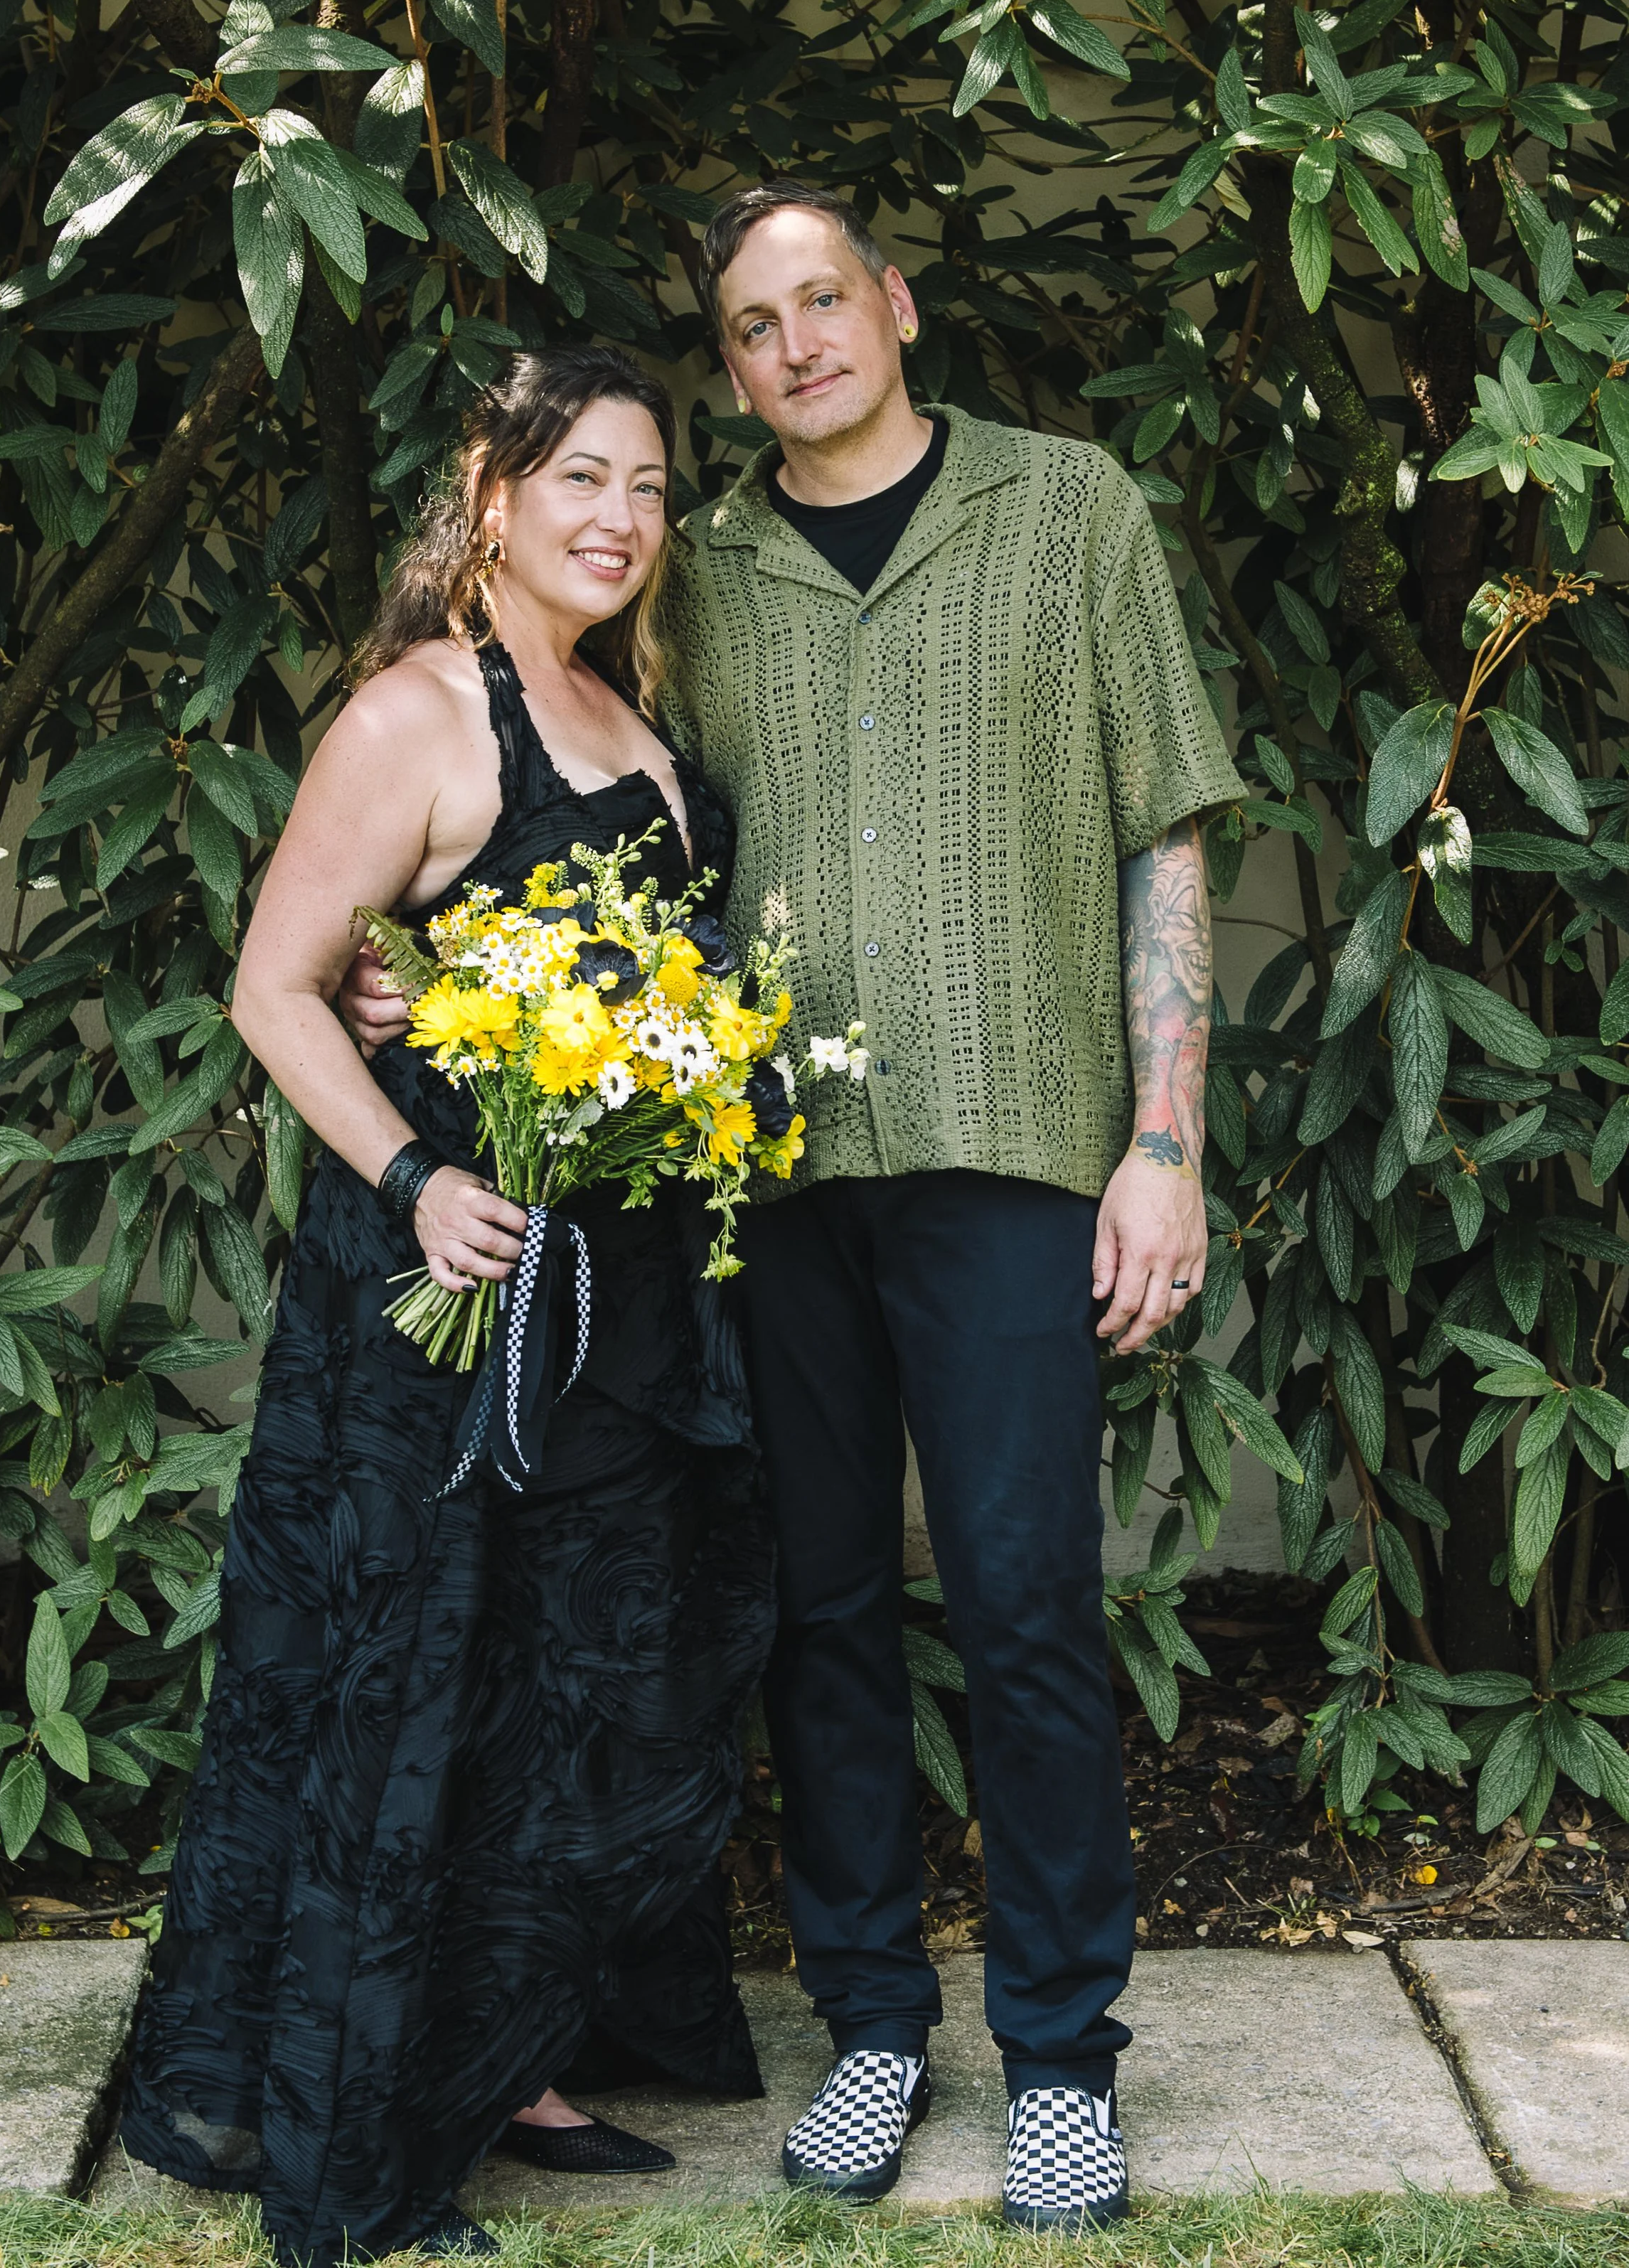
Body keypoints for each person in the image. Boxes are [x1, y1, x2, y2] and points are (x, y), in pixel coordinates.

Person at [343, 185, 1241, 2233]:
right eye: (752, 326)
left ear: (895, 306)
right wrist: (412, 963)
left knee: (1024, 1602)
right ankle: (868, 2024)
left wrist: (1168, 1141)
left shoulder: (1068, 511)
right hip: (766, 1183)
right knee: (819, 1608)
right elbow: (567, 807)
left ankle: (1061, 2056)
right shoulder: (702, 570)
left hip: (1019, 1152)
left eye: (822, 299)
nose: (796, 343)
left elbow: (1164, 834)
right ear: (732, 370)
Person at [120, 347, 774, 2267]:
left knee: (571, 1678)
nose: (619, 519)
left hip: (615, 1300)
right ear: (491, 496)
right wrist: (415, 1177)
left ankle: (509, 2055)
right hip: (445, 1289)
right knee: (414, 1679)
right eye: (581, 477)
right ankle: (365, 2113)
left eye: (649, 488)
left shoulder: (629, 711)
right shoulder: (417, 709)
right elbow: (273, 985)